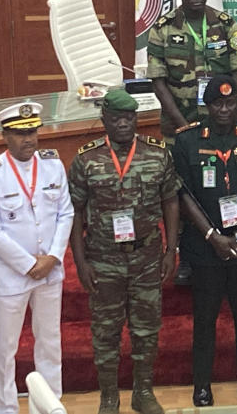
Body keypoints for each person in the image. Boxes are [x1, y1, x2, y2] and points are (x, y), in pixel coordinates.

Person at [67, 90, 180, 414]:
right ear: (104, 120)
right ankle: (109, 397)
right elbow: (74, 212)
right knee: (106, 331)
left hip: (146, 255)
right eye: (115, 118)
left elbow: (171, 200)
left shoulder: (156, 154)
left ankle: (143, 392)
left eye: (128, 118)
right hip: (103, 258)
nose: (122, 124)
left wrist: (170, 249)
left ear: (136, 118)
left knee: (146, 329)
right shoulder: (86, 159)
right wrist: (80, 260)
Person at [172, 75, 237, 407]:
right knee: (204, 319)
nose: (225, 109)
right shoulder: (187, 141)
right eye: (218, 103)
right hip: (204, 248)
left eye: (231, 103)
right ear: (208, 105)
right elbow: (183, 195)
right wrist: (213, 236)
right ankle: (202, 385)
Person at [147, 0, 237, 285]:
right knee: (183, 190)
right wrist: (183, 126)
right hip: (180, 127)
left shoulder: (224, 23)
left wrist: (225, 113)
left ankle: (228, 247)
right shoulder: (163, 28)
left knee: (222, 186)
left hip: (221, 124)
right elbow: (159, 82)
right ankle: (188, 258)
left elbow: (235, 73)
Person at [0, 103, 74, 414]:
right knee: (5, 349)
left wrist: (53, 257)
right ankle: (5, 409)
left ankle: (49, 404)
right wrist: (30, 264)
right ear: (5, 136)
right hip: (13, 275)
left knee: (50, 342)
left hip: (50, 271)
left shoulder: (53, 165)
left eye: (32, 131)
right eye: (20, 133)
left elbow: (65, 212)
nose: (28, 139)